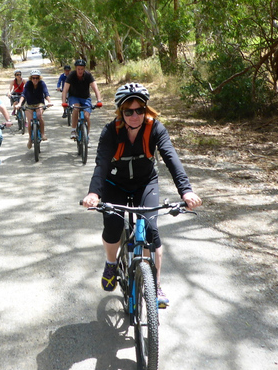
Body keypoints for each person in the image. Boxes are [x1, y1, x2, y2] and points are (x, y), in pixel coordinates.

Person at [80, 83, 202, 307]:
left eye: (139, 110)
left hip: (145, 183)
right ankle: (110, 263)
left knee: (151, 230)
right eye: (129, 111)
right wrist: (94, 193)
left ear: (146, 109)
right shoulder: (110, 132)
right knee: (113, 227)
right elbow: (101, 165)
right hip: (114, 184)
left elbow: (171, 158)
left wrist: (186, 191)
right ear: (121, 112)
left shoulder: (155, 128)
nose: (135, 115)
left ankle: (154, 284)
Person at [61, 58, 103, 139]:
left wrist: (99, 100)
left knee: (86, 116)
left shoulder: (88, 75)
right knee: (76, 107)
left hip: (86, 98)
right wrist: (64, 102)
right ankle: (73, 130)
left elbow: (95, 88)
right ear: (75, 69)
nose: (80, 71)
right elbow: (65, 90)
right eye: (78, 69)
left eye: (82, 69)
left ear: (84, 69)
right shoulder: (71, 75)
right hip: (74, 97)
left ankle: (87, 136)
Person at [16, 69, 53, 149]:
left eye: (37, 78)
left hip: (39, 103)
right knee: (29, 121)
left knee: (39, 116)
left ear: (39, 78)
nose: (35, 79)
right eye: (33, 78)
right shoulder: (28, 84)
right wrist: (19, 103)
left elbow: (46, 93)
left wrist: (49, 101)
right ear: (31, 78)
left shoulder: (42, 84)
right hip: (29, 104)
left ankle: (42, 133)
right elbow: (23, 94)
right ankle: (30, 139)